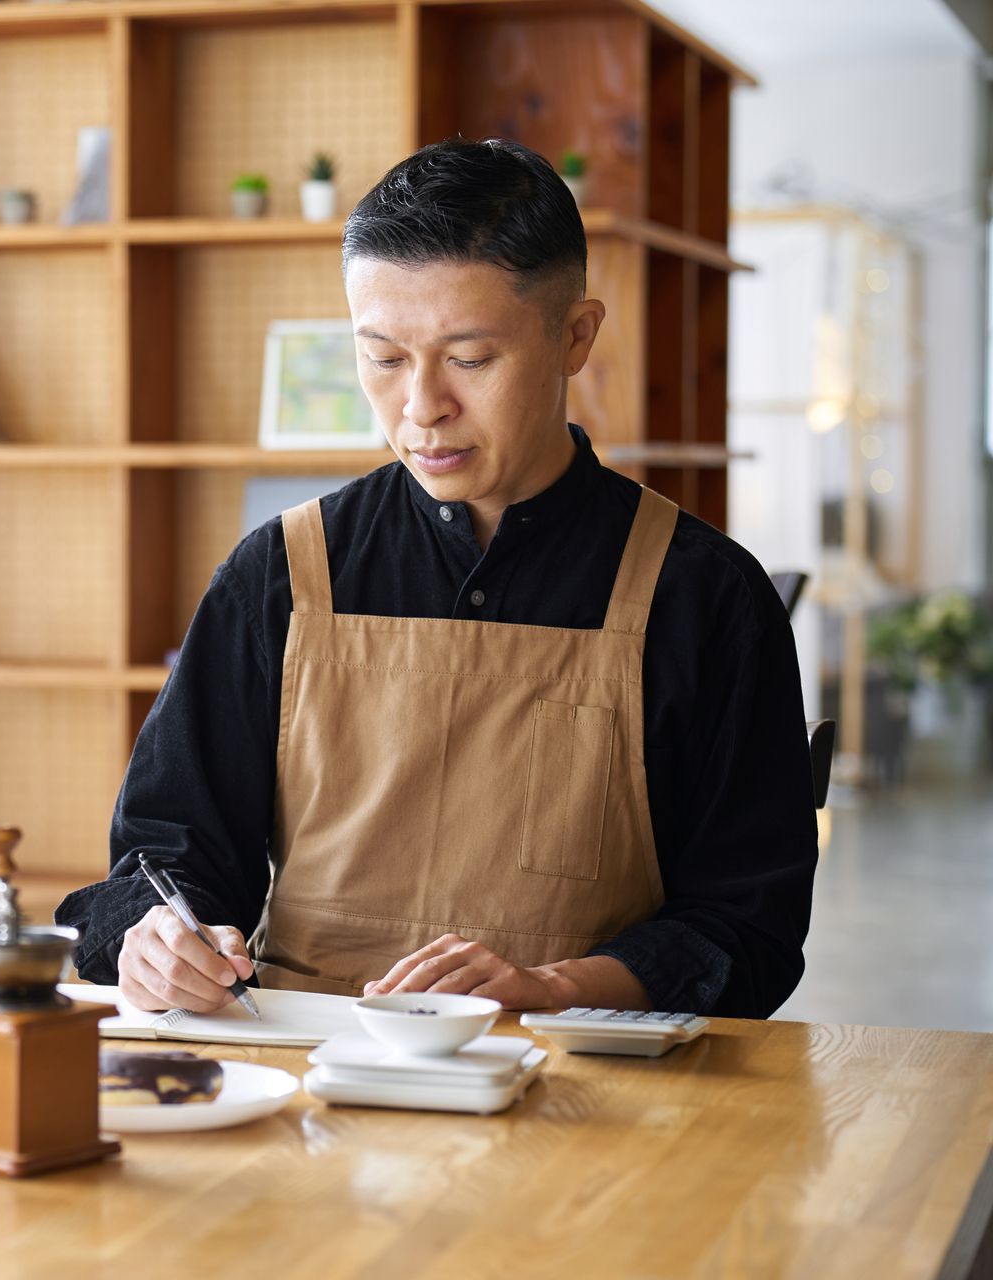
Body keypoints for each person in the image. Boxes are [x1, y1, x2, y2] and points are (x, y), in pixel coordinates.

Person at [55, 138, 817, 1019]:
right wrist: (158, 940)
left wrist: (553, 988)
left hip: (586, 1089)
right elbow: (163, 858)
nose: (421, 407)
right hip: (313, 1080)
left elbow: (748, 932)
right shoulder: (280, 575)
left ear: (575, 336)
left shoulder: (705, 597)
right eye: (382, 358)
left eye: (469, 358)